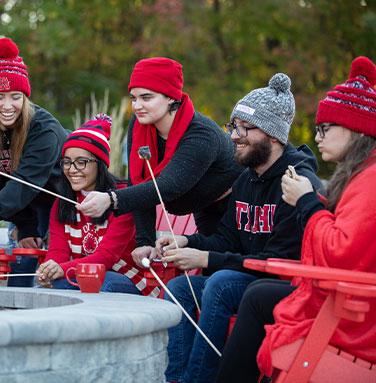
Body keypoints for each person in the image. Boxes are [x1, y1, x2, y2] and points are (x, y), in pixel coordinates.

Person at [217, 56, 376, 383]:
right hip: (346, 301)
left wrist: (306, 202)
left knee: (255, 295)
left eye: (325, 128)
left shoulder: (370, 181)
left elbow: (340, 253)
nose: (317, 137)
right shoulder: (361, 176)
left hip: (354, 316)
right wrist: (313, 203)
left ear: (356, 129)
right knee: (256, 291)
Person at [156, 73, 324, 383]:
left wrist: (206, 260)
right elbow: (226, 238)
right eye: (234, 127)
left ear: (273, 135)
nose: (235, 136)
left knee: (219, 282)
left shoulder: (296, 181)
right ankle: (176, 378)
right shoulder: (245, 180)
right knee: (180, 288)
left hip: (281, 285)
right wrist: (186, 240)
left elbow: (279, 261)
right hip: (243, 277)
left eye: (246, 128)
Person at [78, 57, 242, 269]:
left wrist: (111, 199)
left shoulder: (202, 134)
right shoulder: (140, 125)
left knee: (225, 274)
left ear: (171, 98)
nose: (137, 106)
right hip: (204, 208)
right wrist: (144, 241)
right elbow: (140, 179)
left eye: (146, 97)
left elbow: (168, 185)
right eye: (133, 98)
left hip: (235, 207)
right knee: (208, 277)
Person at [0, 37, 67, 287]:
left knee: (52, 273)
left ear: (25, 96)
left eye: (15, 96)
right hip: (20, 200)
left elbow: (25, 182)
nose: (7, 106)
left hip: (61, 199)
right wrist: (25, 227)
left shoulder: (43, 129)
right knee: (20, 263)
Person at [37, 114, 158, 296]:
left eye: (81, 162)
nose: (72, 169)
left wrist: (63, 269)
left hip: (126, 276)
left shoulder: (122, 199)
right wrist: (50, 269)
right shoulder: (63, 203)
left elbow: (106, 258)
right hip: (79, 275)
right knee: (50, 287)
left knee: (100, 283)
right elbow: (58, 252)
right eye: (67, 162)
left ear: (100, 164)